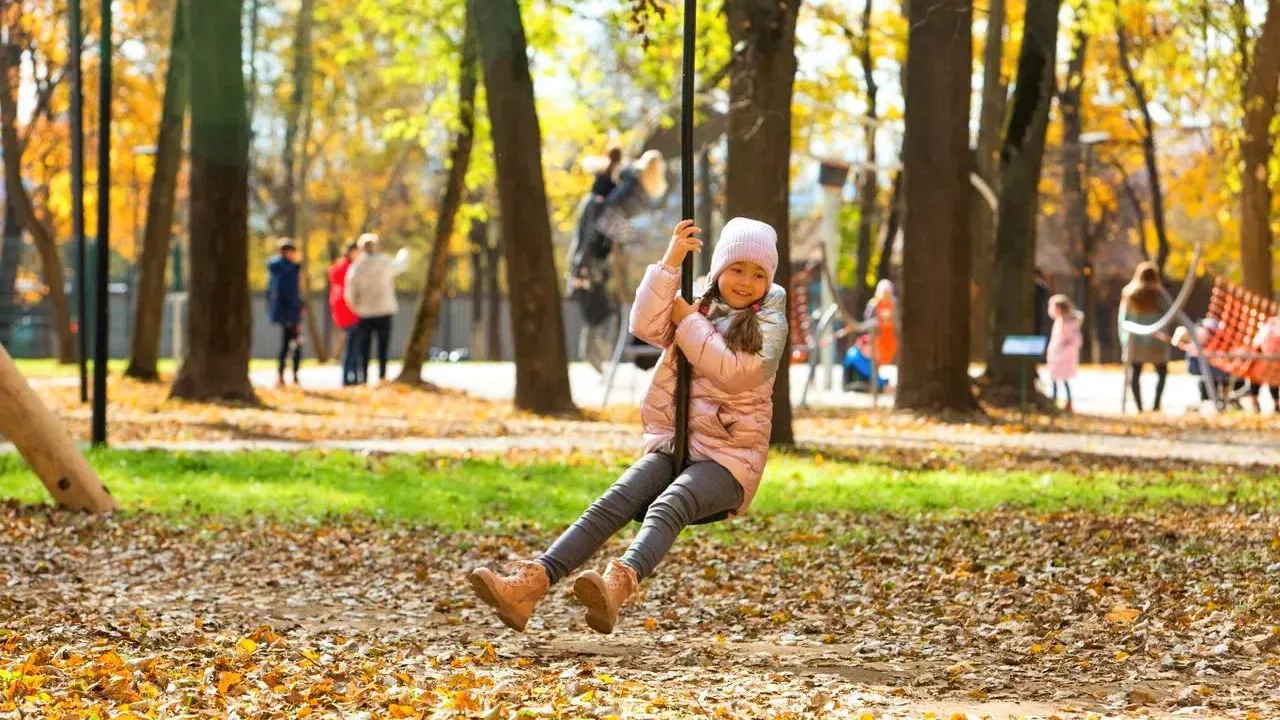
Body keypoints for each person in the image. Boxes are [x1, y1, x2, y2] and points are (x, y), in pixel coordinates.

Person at [468, 217, 788, 634]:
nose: (745, 282)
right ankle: (529, 586)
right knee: (616, 499)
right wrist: (671, 262)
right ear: (719, 269)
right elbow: (646, 325)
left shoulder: (770, 324)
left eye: (758, 274)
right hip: (678, 444)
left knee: (670, 504)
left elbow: (733, 372)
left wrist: (688, 322)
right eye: (737, 269)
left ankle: (617, 585)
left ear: (770, 280)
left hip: (729, 460)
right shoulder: (697, 304)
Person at [344, 233, 410, 383]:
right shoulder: (384, 262)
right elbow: (401, 265)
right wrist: (404, 252)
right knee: (383, 346)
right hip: (384, 311)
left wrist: (356, 307)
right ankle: (382, 376)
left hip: (364, 313)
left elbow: (350, 292)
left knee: (364, 348)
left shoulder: (357, 267)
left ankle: (364, 378)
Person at [1118, 262, 1170, 412]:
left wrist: (1124, 339)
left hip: (1136, 340)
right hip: (1156, 340)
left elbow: (1123, 318)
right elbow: (1169, 314)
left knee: (1135, 372)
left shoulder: (1130, 293)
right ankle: (1156, 405)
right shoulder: (1159, 294)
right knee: (1162, 371)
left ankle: (1139, 407)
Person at [266, 239, 304, 386]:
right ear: (288, 252)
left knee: (286, 344)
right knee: (294, 343)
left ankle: (282, 374)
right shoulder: (288, 269)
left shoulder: (276, 269)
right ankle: (293, 375)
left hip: (282, 312)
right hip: (291, 312)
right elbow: (291, 292)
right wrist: (298, 306)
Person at [328, 242, 363, 386]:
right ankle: (350, 377)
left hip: (344, 310)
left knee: (352, 344)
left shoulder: (339, 266)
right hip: (349, 309)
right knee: (352, 345)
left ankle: (351, 376)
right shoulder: (349, 268)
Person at [1045, 294, 1083, 412]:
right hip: (1057, 354)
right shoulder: (1060, 321)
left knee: (1062, 380)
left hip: (1063, 355)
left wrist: (1063, 350)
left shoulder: (1068, 322)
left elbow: (1073, 339)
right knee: (1055, 380)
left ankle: (1065, 402)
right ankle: (1055, 400)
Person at [864, 280, 898, 370]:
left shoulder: (894, 303)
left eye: (888, 292)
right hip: (878, 337)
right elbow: (868, 319)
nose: (886, 295)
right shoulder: (874, 304)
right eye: (884, 292)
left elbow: (898, 319)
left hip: (891, 337)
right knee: (877, 358)